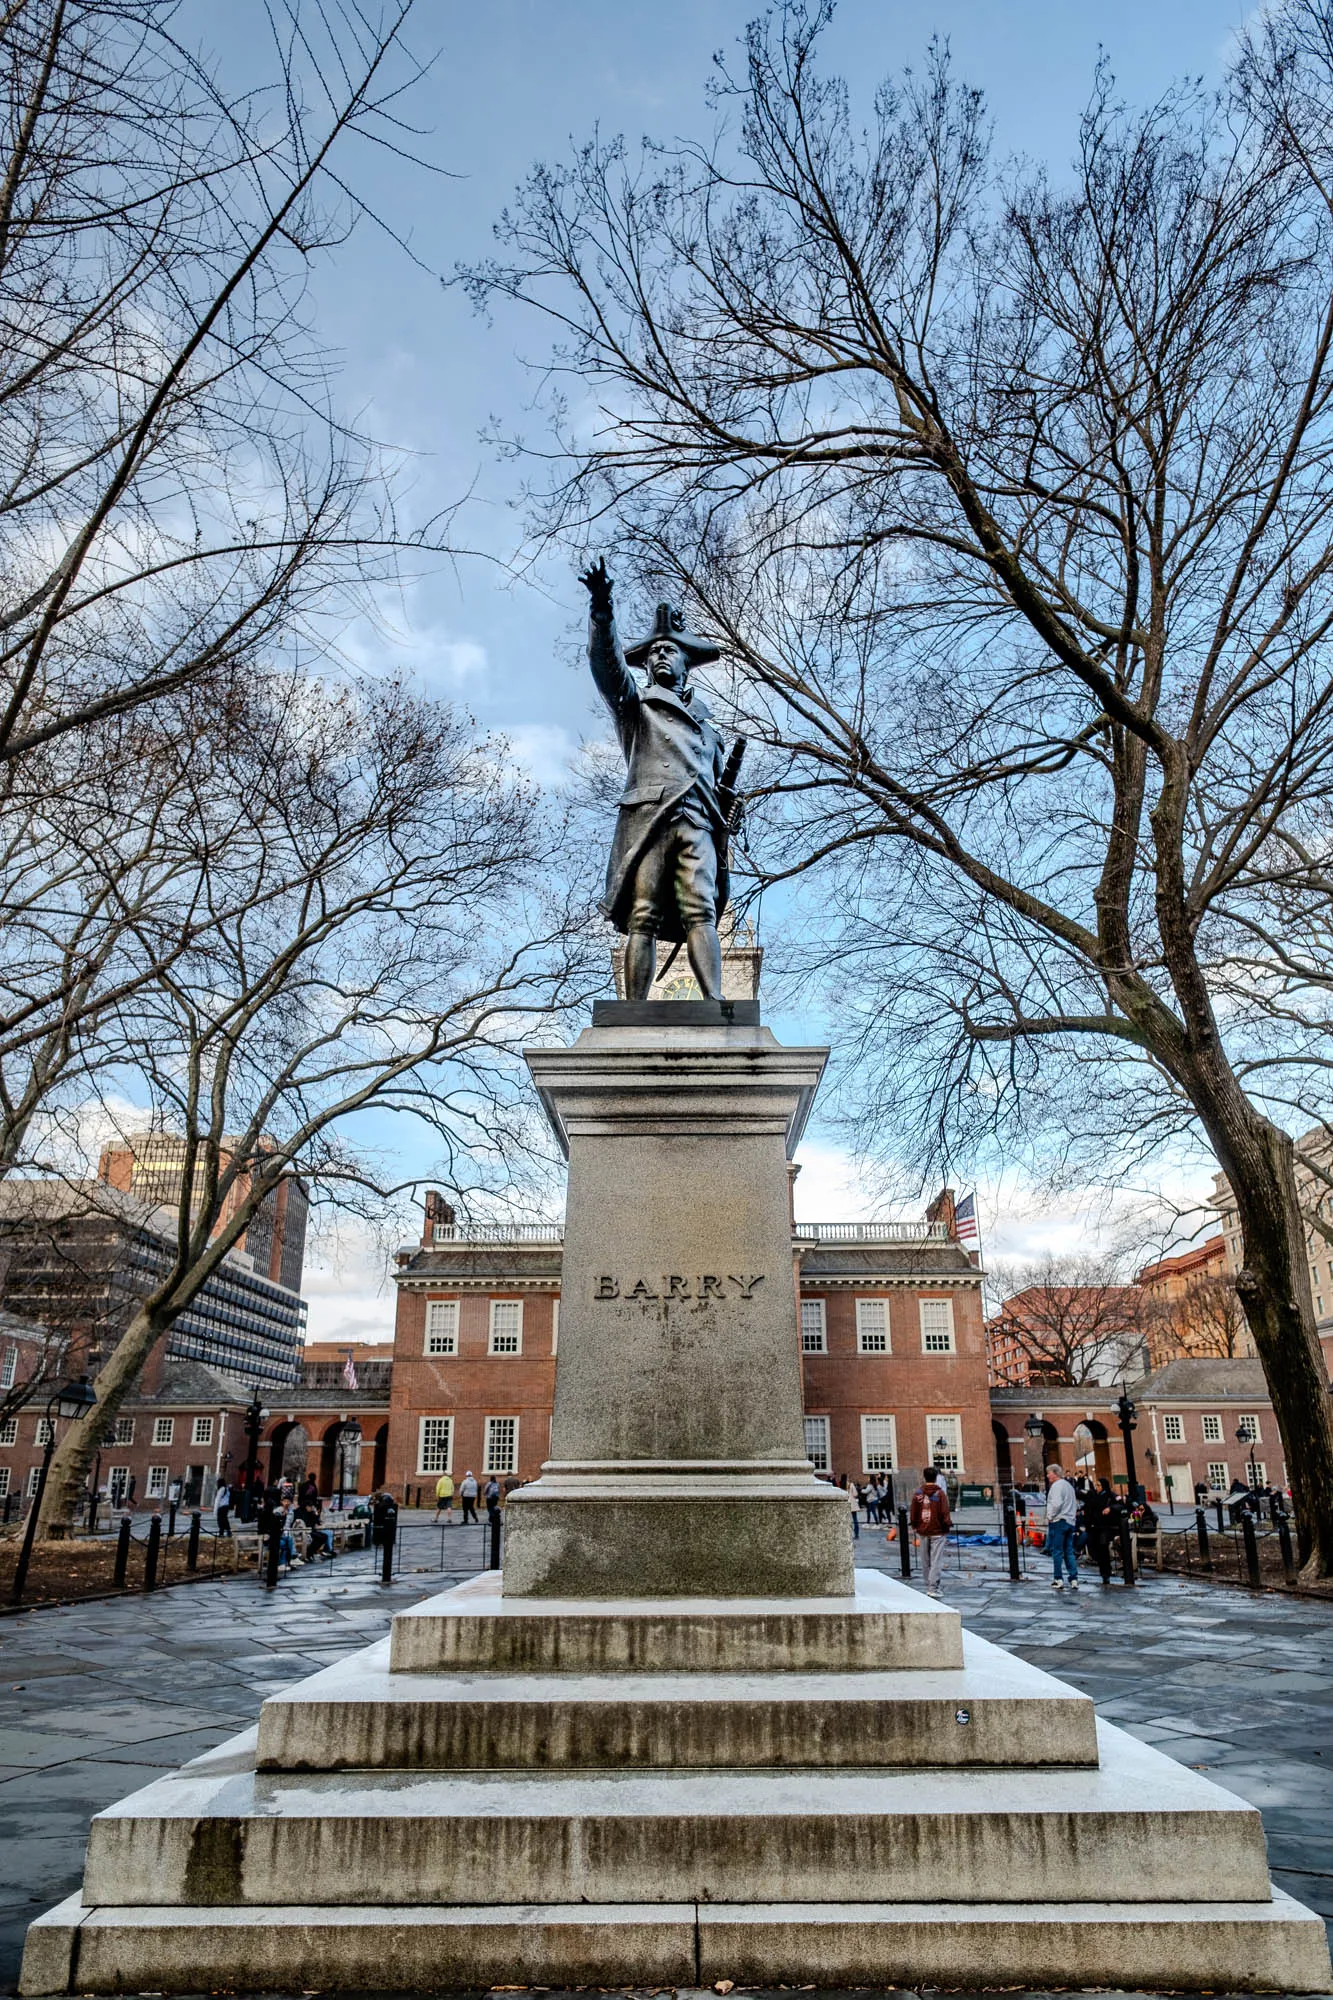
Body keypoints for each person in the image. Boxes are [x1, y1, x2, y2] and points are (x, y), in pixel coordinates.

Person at [909, 1463, 953, 1598]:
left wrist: (915, 1525)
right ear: (936, 1478)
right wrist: (947, 1526)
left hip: (922, 1530)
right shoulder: (940, 1494)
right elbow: (945, 1512)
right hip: (937, 1531)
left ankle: (928, 1584)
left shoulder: (918, 1493)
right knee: (936, 1560)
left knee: (925, 1560)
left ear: (924, 1477)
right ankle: (933, 1587)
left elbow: (913, 1512)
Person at [1045, 1462, 1079, 1591]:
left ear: (1054, 1473)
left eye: (1049, 1473)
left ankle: (1058, 1578)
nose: (1048, 1476)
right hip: (1070, 1521)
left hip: (1059, 1521)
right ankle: (1074, 1578)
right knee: (1069, 1551)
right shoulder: (1068, 1486)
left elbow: (1056, 1503)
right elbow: (1074, 1504)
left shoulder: (1057, 1486)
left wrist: (1050, 1515)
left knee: (1057, 1551)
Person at [1083, 1477, 1118, 1586]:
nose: (1096, 1487)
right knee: (1093, 1546)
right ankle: (1102, 1568)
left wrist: (1110, 1509)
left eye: (1099, 1485)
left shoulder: (1110, 1496)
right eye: (1096, 1485)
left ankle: (1106, 1573)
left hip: (1105, 1526)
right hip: (1094, 1526)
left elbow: (1120, 1504)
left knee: (1103, 1547)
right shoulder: (1094, 1496)